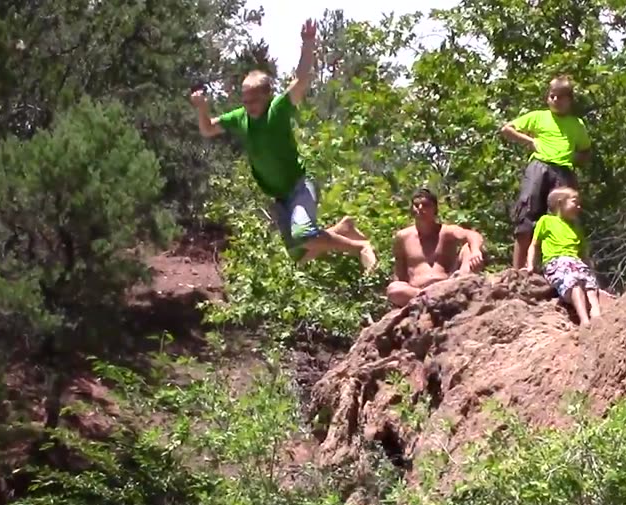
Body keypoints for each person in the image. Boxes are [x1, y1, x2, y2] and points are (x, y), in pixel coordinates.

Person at [190, 20, 377, 272]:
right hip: (279, 197)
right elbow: (207, 129)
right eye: (244, 101)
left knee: (305, 235)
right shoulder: (239, 117)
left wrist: (308, 43)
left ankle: (361, 247)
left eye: (254, 100)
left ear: (267, 95)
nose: (249, 106)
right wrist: (202, 109)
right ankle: (343, 230)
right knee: (299, 254)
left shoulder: (277, 109)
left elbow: (301, 79)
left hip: (299, 185)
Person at [500, 75, 593, 271]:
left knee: (563, 219)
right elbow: (507, 129)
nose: (556, 101)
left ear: (570, 99)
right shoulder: (538, 116)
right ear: (547, 98)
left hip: (564, 172)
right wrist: (530, 141)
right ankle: (519, 271)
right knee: (527, 216)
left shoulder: (577, 124)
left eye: (561, 97)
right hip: (539, 167)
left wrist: (572, 158)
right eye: (552, 96)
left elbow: (585, 151)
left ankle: (562, 268)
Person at [387, 189, 487, 308]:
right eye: (416, 205)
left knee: (469, 248)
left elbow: (472, 235)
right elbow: (399, 270)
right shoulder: (403, 237)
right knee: (394, 289)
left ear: (435, 208)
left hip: (448, 284)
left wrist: (475, 251)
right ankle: (431, 298)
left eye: (425, 205)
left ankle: (458, 287)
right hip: (418, 291)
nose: (420, 208)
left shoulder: (446, 231)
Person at [528, 187, 603, 326]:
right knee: (572, 281)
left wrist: (590, 269)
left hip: (576, 262)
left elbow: (583, 253)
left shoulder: (576, 227)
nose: (579, 207)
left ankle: (596, 314)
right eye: (575, 202)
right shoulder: (546, 221)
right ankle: (584, 319)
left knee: (590, 284)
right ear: (560, 203)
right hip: (556, 261)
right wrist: (530, 266)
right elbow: (534, 245)